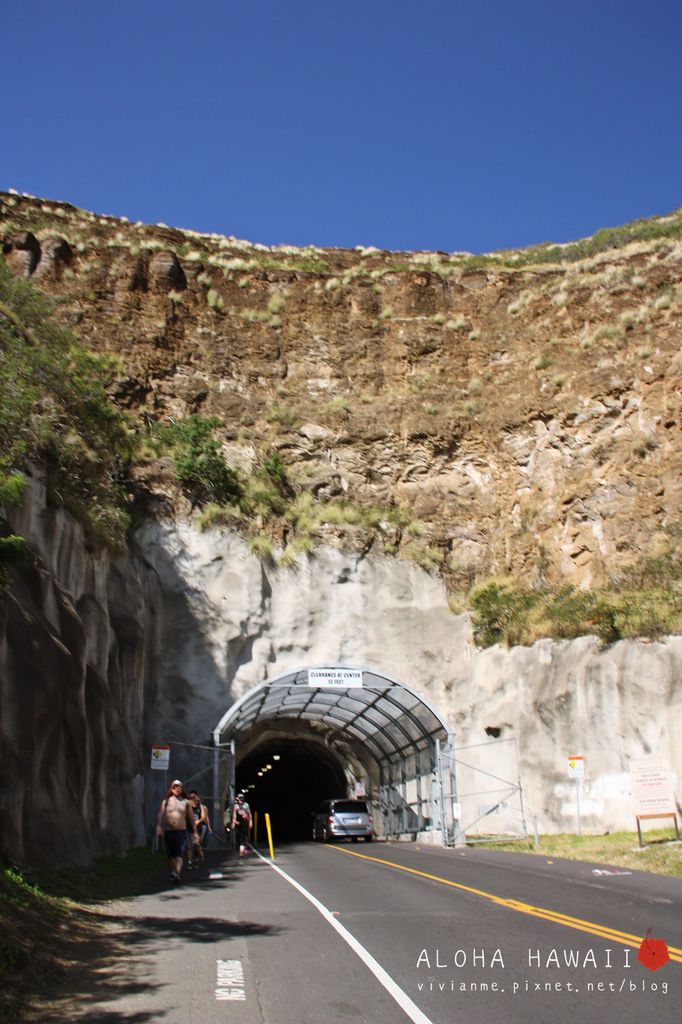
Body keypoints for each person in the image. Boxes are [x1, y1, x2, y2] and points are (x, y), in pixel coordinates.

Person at [156, 780, 197, 884]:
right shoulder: (166, 802)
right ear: (171, 788)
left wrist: (195, 832)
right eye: (175, 787)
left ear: (182, 789)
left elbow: (191, 818)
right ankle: (174, 872)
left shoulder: (185, 802)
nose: (177, 789)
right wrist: (159, 826)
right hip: (169, 832)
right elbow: (161, 814)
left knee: (179, 854)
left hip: (181, 832)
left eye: (179, 787)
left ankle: (177, 874)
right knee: (170, 856)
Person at [187, 790, 211, 866]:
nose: (192, 799)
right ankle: (189, 861)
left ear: (197, 797)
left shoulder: (201, 806)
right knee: (190, 845)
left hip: (199, 827)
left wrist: (200, 822)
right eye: (190, 797)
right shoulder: (188, 806)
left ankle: (199, 856)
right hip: (189, 827)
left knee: (197, 844)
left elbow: (205, 817)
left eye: (193, 797)